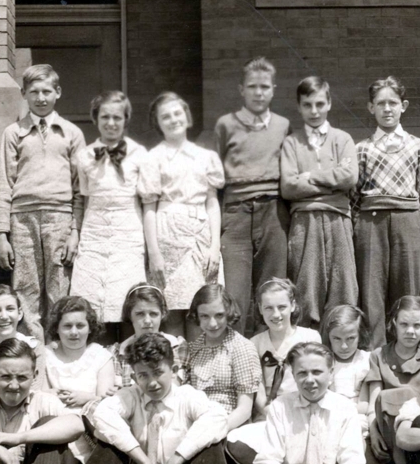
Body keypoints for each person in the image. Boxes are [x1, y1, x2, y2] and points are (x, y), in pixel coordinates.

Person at [228, 342, 398, 464]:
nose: (310, 380)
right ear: (293, 374)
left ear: (330, 373)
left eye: (317, 372)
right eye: (302, 373)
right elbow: (268, 461)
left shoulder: (344, 407)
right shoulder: (280, 406)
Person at [79, 333, 231, 464]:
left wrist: (176, 460)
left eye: (158, 372)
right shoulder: (130, 396)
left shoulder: (186, 396)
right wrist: (143, 461)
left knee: (209, 440)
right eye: (142, 375)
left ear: (173, 369)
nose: (151, 382)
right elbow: (101, 414)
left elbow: (218, 417)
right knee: (109, 441)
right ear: (134, 376)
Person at [0, 63, 86, 342]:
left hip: (60, 218)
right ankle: (30, 350)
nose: (41, 97)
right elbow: (4, 184)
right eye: (34, 91)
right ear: (24, 93)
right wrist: (1, 234)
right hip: (22, 219)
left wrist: (75, 232)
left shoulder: (71, 133)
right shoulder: (13, 133)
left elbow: (80, 188)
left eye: (47, 91)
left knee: (59, 287)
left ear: (58, 92)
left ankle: (59, 350)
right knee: (25, 288)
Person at [215, 56, 291, 335]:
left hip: (272, 212)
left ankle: (268, 355)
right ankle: (236, 354)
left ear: (273, 89)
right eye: (252, 86)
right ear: (241, 90)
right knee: (234, 292)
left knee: (272, 289)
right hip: (236, 213)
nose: (258, 93)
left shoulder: (283, 125)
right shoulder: (225, 125)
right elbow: (216, 177)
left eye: (264, 87)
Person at [354, 76, 420, 346]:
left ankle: (408, 351)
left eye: (393, 103)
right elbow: (354, 194)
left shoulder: (418, 146)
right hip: (370, 222)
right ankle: (375, 353)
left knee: (407, 290)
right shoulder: (361, 148)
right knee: (372, 291)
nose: (387, 109)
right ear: (370, 107)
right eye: (380, 103)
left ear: (403, 106)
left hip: (407, 221)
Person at [143, 92, 224, 338]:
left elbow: (212, 202)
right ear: (157, 123)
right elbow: (149, 208)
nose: (173, 119)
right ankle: (177, 370)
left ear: (187, 116)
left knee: (202, 308)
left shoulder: (206, 157)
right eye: (165, 116)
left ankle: (201, 371)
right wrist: (154, 252)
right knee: (173, 310)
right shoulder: (153, 158)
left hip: (200, 238)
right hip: (168, 236)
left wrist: (214, 246)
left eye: (177, 113)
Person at [70, 91, 150, 342]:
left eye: (117, 117)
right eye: (105, 116)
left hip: (128, 232)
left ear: (126, 120)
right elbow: (82, 198)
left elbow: (147, 202)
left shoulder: (139, 154)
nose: (111, 123)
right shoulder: (84, 156)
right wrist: (76, 233)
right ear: (95, 118)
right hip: (94, 232)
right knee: (94, 300)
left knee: (127, 298)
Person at [281, 76, 359, 328]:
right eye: (307, 105)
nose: (314, 111)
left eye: (319, 104)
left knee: (343, 285)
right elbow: (289, 186)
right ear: (299, 107)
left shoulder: (342, 139)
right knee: (306, 287)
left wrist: (310, 177)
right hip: (305, 221)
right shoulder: (292, 142)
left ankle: (343, 347)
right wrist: (330, 180)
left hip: (338, 218)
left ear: (329, 104)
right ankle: (308, 348)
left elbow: (348, 177)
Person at [43, 296, 116, 464]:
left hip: (89, 418)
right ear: (56, 328)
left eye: (80, 325)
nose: (74, 332)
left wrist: (87, 397)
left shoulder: (100, 356)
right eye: (67, 326)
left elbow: (107, 396)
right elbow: (40, 390)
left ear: (89, 327)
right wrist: (53, 394)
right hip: (57, 413)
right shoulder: (47, 355)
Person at [362, 296, 420, 464]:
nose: (410, 331)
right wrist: (373, 431)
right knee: (386, 398)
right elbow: (375, 400)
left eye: (417, 325)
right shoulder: (379, 355)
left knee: (405, 396)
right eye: (404, 324)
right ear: (393, 323)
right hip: (387, 428)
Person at [183, 284, 261, 431]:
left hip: (230, 426)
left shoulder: (241, 347)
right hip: (195, 424)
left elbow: (244, 410)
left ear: (229, 313)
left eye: (219, 315)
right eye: (205, 316)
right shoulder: (193, 348)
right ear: (197, 316)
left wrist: (214, 432)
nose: (212, 324)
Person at [250, 278, 322, 417]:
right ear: (260, 308)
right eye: (268, 308)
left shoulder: (310, 337)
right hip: (268, 412)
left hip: (304, 408)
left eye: (282, 307)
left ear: (293, 305)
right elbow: (257, 387)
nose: (276, 314)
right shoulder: (255, 343)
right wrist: (268, 412)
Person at [112, 284, 184, 388]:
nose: (147, 321)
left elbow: (174, 385)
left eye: (153, 314)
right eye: (140, 314)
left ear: (162, 314)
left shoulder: (176, 346)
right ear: (129, 315)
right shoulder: (118, 353)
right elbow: (115, 391)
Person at [321, 305, 371, 422]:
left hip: (358, 416)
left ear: (360, 335)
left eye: (350, 338)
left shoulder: (366, 360)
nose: (344, 346)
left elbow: (364, 406)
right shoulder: (324, 361)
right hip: (329, 415)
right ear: (328, 337)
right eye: (337, 339)